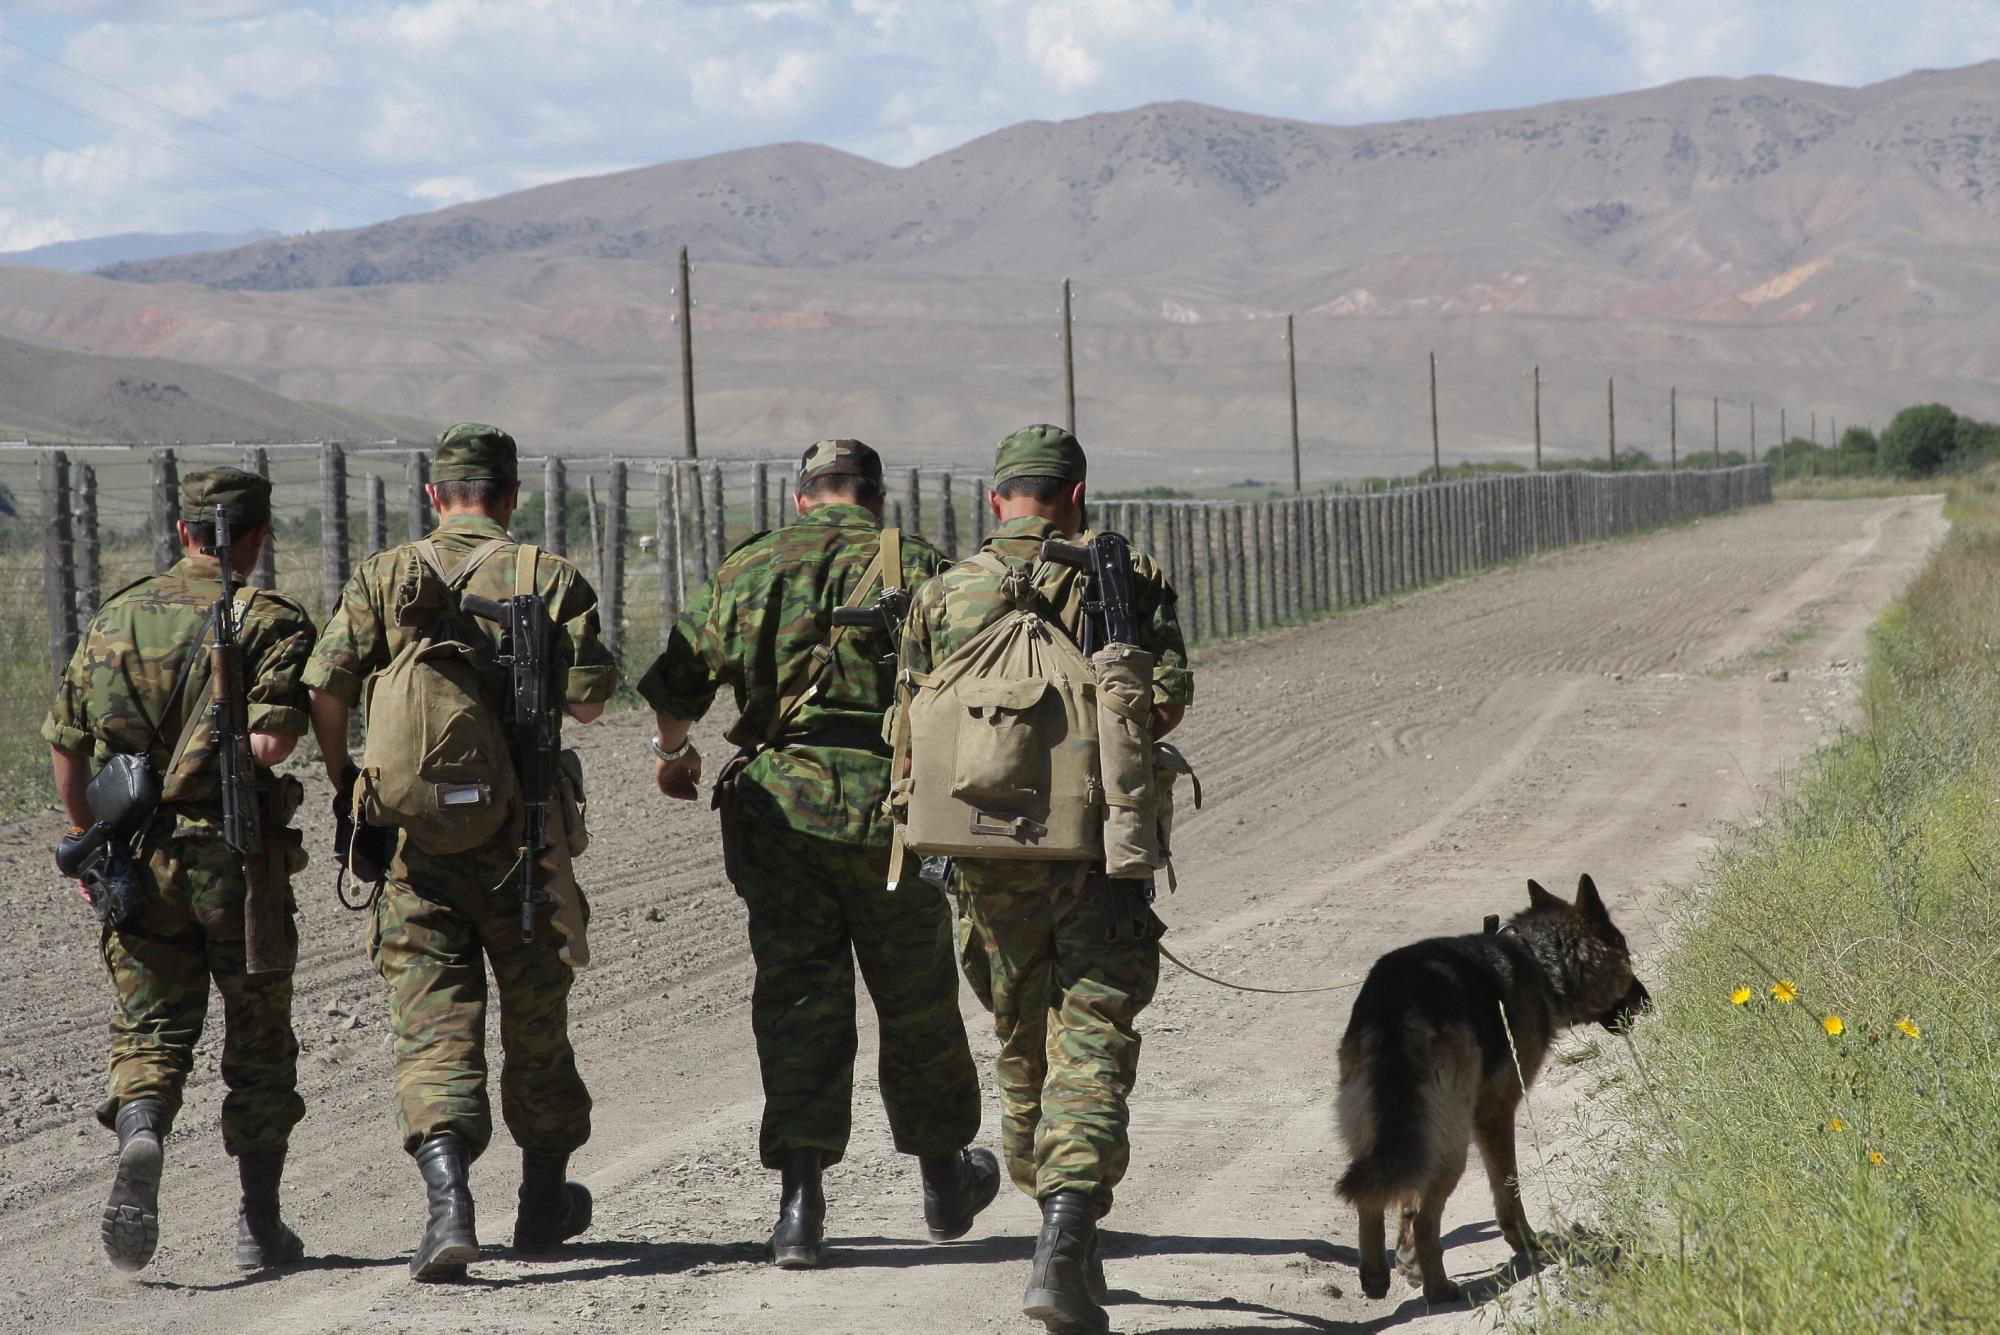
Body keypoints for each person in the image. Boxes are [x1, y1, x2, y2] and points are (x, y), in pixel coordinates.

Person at [642, 438, 998, 1269]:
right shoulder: (917, 563)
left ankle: (800, 1207)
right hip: (893, 812)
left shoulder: (753, 563)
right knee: (916, 997)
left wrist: (674, 755)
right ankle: (945, 1178)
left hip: (783, 821)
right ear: (875, 499)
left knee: (800, 999)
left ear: (803, 498)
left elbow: (675, 684)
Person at [303, 423, 619, 1280]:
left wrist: (351, 789)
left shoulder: (385, 575)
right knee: (537, 1023)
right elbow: (589, 705)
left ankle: (448, 1203)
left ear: (436, 497)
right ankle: (543, 1197)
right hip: (524, 845)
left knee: (433, 1027)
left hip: (415, 851)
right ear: (511, 496)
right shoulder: (547, 575)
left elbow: (325, 693)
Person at [896, 425, 1193, 1335]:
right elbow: (1167, 697)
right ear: (1077, 493)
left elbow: (908, 716)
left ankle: (1053, 1206)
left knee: (1022, 1032)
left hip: (983, 855)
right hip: (1096, 847)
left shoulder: (943, 591)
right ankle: (1066, 1231)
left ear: (996, 501)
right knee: (1093, 1030)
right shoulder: (1124, 573)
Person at [44, 466, 316, 1274]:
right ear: (259, 537)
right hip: (239, 862)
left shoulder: (116, 615)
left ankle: (142, 1134)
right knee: (260, 1040)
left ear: (183, 531)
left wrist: (89, 833)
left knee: (151, 1028)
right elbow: (272, 745)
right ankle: (259, 1224)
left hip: (137, 860)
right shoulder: (270, 620)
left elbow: (65, 742)